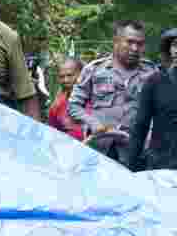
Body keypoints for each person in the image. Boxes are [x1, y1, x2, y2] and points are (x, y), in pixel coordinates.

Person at [67, 20, 158, 163]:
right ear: (116, 41)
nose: (135, 48)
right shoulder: (94, 70)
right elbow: (73, 106)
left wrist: (151, 136)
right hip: (100, 150)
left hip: (136, 152)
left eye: (139, 44)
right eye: (129, 42)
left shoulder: (152, 73)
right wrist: (92, 123)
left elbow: (161, 111)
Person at [123, 37, 177, 171]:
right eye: (175, 45)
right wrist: (131, 168)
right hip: (162, 166)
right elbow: (140, 126)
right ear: (170, 50)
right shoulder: (155, 81)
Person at [47, 58, 84, 140]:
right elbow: (52, 133)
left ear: (81, 75)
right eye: (61, 77)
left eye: (70, 75)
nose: (65, 80)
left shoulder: (96, 100)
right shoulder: (57, 105)